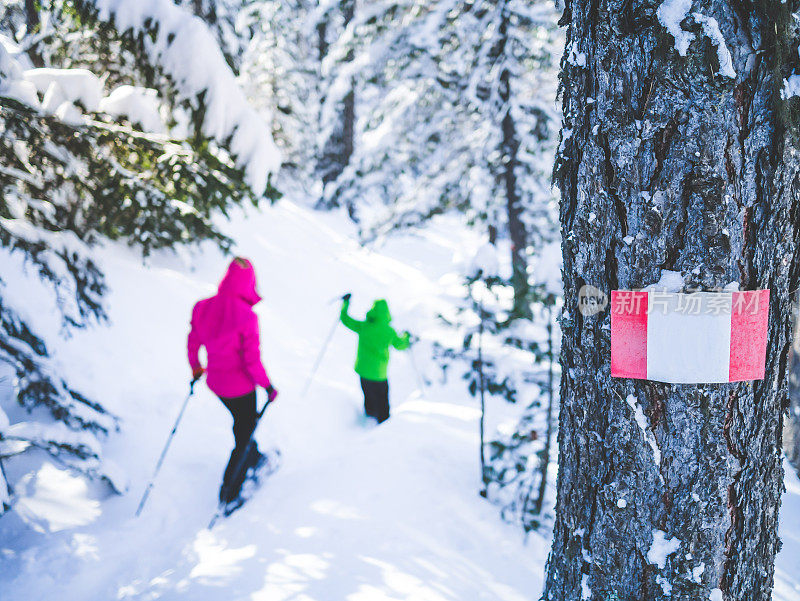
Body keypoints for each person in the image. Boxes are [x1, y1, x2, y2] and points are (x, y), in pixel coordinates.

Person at [187, 257, 278, 505]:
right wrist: (268, 387)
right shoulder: (247, 317)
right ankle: (229, 491)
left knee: (243, 423)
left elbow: (193, 341)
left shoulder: (202, 307)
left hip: (216, 384)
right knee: (244, 430)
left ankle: (253, 454)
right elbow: (251, 361)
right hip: (241, 388)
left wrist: (196, 367)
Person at [340, 294, 411, 423]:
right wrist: (406, 337)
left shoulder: (364, 326)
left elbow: (345, 319)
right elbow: (400, 345)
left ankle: (369, 417)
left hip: (364, 371)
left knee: (368, 395)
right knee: (382, 400)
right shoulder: (389, 331)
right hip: (380, 374)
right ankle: (383, 424)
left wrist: (345, 303)